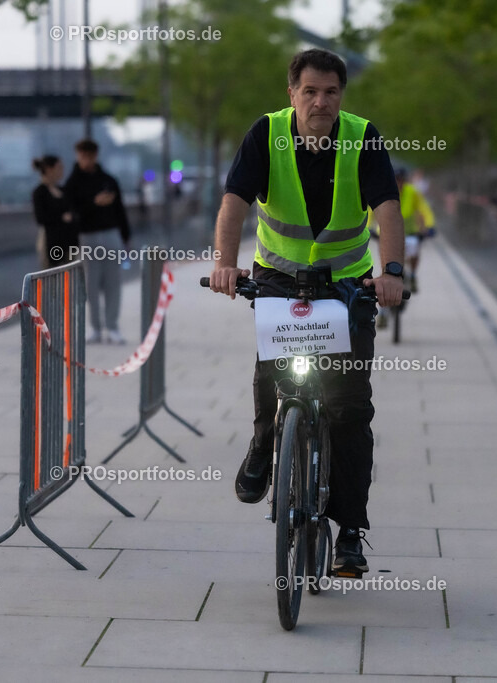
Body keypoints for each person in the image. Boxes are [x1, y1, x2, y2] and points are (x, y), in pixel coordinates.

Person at [208, 48, 405, 576]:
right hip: (278, 279)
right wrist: (225, 265)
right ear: (291, 92)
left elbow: (387, 206)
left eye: (332, 92)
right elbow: (234, 202)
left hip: (346, 285)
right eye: (311, 91)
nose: (322, 101)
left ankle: (350, 533)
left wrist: (392, 273)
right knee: (272, 373)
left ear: (343, 94)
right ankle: (262, 445)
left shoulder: (362, 138)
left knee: (349, 410)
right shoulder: (265, 134)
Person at [64, 139, 131, 345]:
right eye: (83, 156)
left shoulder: (108, 180)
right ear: (78, 156)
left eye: (90, 155)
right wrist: (94, 203)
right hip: (87, 236)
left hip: (111, 234)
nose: (86, 160)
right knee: (90, 285)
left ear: (96, 155)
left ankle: (112, 326)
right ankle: (94, 326)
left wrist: (126, 237)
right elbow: (72, 213)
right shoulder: (72, 183)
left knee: (113, 283)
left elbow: (120, 210)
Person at [371, 168, 434, 328]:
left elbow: (424, 208)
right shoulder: (383, 188)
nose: (398, 183)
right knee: (385, 272)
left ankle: (412, 275)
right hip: (386, 233)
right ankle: (383, 314)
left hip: (409, 231)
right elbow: (371, 209)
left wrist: (429, 225)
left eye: (401, 180)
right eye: (396, 180)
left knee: (415, 249)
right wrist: (366, 228)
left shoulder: (412, 192)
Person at [32, 155, 78, 268]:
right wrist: (61, 217)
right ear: (49, 169)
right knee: (52, 276)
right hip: (50, 241)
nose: (62, 171)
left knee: (70, 277)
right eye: (59, 167)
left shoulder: (63, 190)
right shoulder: (40, 192)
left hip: (69, 241)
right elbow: (40, 218)